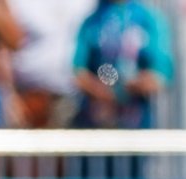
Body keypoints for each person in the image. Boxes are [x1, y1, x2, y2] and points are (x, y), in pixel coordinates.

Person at [71, 0, 172, 129]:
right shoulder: (92, 21)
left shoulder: (149, 20)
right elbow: (78, 71)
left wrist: (130, 87)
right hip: (96, 122)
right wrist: (101, 91)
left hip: (136, 123)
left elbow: (162, 73)